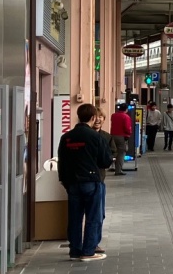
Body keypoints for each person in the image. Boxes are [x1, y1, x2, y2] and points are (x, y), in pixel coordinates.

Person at [57, 103, 112, 261]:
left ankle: (74, 250)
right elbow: (106, 161)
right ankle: (88, 251)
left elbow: (62, 161)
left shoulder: (66, 137)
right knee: (93, 216)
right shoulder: (96, 137)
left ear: (78, 116)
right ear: (93, 117)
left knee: (74, 217)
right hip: (91, 181)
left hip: (72, 183)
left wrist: (65, 181)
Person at [109, 103, 133, 174]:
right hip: (122, 137)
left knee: (114, 152)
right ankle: (118, 170)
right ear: (126, 109)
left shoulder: (113, 115)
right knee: (121, 153)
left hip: (113, 136)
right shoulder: (126, 117)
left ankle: (112, 166)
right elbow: (127, 128)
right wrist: (129, 133)